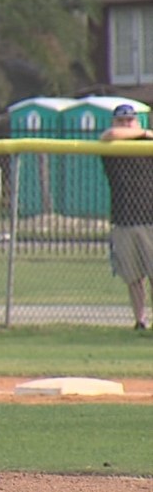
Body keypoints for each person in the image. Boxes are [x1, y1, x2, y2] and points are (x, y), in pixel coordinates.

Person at [99, 103, 153, 330]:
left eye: (130, 120)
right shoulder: (112, 147)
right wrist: (142, 132)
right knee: (133, 277)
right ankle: (140, 321)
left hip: (150, 220)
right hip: (123, 220)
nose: (126, 124)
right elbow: (109, 135)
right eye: (121, 120)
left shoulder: (148, 146)